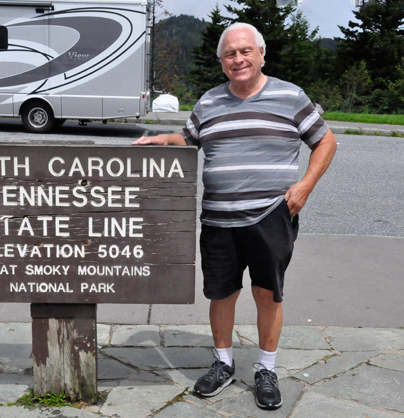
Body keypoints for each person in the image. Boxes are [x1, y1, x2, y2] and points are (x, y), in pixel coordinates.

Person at [133, 22, 337, 410]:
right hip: (217, 220)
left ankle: (266, 369)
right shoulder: (210, 101)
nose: (238, 59)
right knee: (221, 294)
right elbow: (188, 140)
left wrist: (305, 186)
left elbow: (325, 140)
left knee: (267, 294)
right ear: (222, 61)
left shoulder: (290, 96)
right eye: (230, 54)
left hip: (271, 216)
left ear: (261, 54)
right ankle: (223, 363)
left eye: (245, 51)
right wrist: (166, 139)